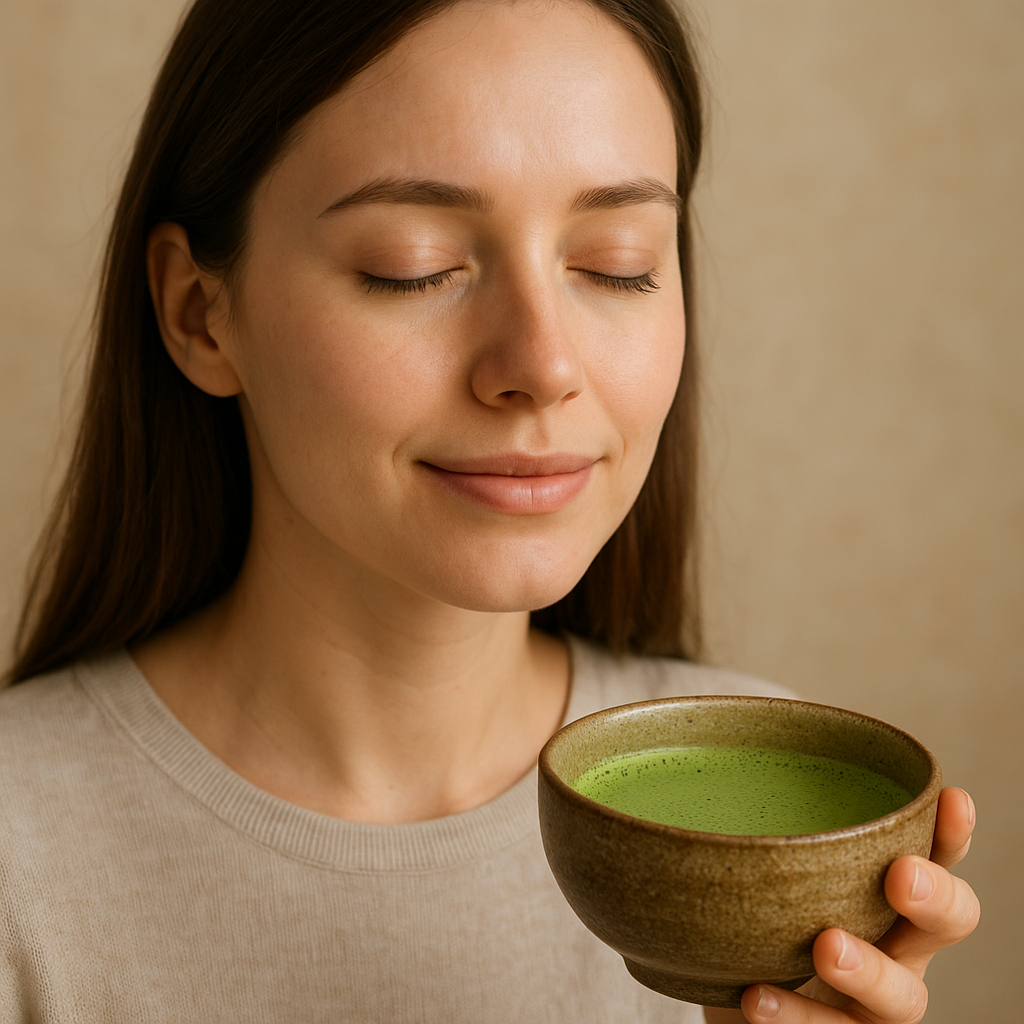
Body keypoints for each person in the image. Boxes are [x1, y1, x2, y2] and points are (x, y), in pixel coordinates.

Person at [0, 1, 978, 1021]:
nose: (543, 367)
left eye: (617, 263)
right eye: (413, 267)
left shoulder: (779, 822)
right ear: (200, 313)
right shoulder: (20, 859)